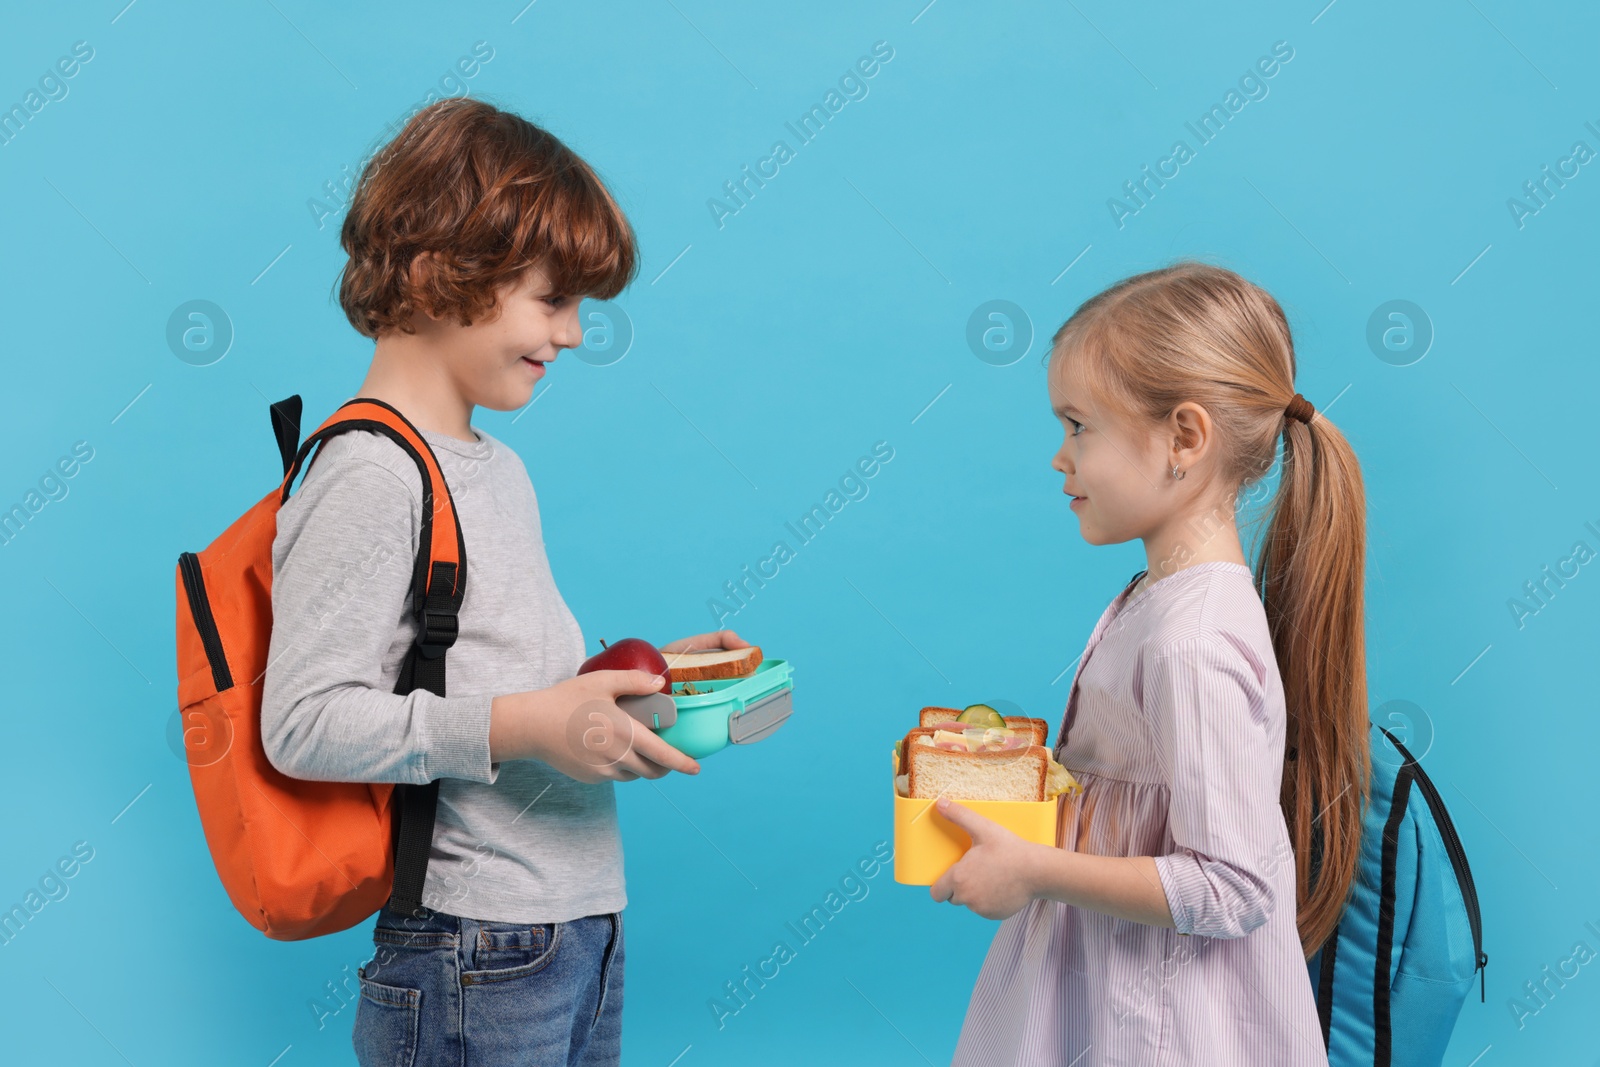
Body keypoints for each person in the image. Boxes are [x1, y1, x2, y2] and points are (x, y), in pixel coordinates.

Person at [259, 97, 746, 1067]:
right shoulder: (371, 473)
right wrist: (530, 725)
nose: (570, 333)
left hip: (570, 921)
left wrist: (638, 672)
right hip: (469, 939)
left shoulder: (489, 464)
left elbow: (504, 668)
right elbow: (304, 721)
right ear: (446, 274)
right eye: (551, 298)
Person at [936, 261, 1369, 1066]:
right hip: (1116, 991)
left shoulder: (1192, 639)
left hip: (1162, 1025)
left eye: (1077, 425)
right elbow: (1136, 787)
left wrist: (1033, 868)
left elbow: (1232, 884)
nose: (1058, 458)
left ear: (1185, 438)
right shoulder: (1160, 601)